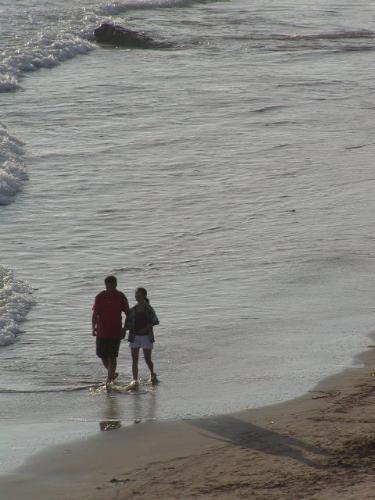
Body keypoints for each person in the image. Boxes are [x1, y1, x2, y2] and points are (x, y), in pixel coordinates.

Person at [92, 275, 129, 384]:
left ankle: (109, 381)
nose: (110, 288)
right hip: (102, 331)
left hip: (115, 331)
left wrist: (125, 329)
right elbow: (95, 313)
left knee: (112, 356)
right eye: (107, 286)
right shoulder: (100, 296)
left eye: (112, 286)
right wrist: (93, 327)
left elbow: (128, 314)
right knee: (102, 356)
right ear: (105, 285)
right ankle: (111, 373)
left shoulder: (121, 296)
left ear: (116, 285)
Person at [125, 287, 159, 385]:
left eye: (139, 294)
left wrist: (147, 328)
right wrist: (123, 330)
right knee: (134, 359)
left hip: (146, 337)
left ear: (144, 295)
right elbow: (127, 324)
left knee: (147, 359)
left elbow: (155, 320)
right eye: (136, 294)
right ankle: (135, 380)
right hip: (134, 337)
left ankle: (152, 374)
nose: (137, 296)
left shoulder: (149, 308)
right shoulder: (132, 310)